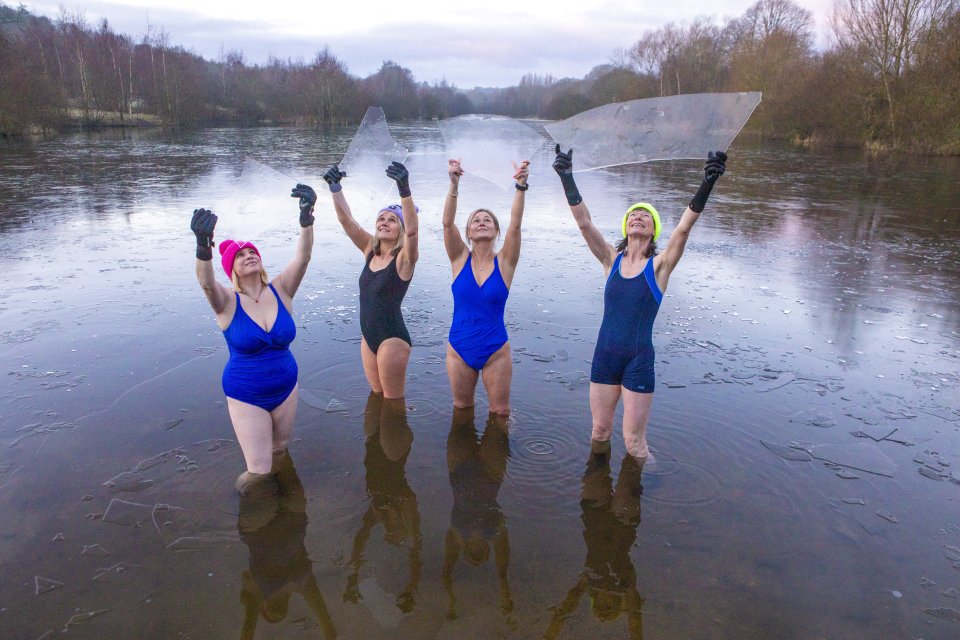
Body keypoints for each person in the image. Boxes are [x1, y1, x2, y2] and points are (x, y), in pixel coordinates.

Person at [552, 145, 728, 461]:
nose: (638, 217)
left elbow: (684, 228)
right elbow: (584, 223)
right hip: (604, 356)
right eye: (634, 214)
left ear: (653, 229)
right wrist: (567, 177)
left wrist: (708, 182)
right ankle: (596, 494)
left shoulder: (659, 266)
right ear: (626, 226)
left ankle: (647, 490)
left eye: (646, 216)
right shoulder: (609, 260)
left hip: (638, 360)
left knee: (634, 443)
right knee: (599, 433)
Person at [190, 183, 316, 496]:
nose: (248, 256)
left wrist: (306, 219)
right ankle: (245, 514)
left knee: (280, 450)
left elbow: (304, 257)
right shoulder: (226, 301)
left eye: (252, 252)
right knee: (258, 471)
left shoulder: (282, 290)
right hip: (247, 392)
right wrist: (203, 246)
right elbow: (206, 282)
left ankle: (287, 507)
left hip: (286, 385)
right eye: (240, 255)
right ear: (230, 268)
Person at [323, 162, 419, 399]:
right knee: (376, 397)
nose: (384, 222)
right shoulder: (369, 250)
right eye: (381, 218)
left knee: (393, 404)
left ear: (401, 229)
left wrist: (404, 191)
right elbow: (347, 221)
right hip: (369, 337)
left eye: (392, 220)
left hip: (392, 338)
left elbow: (414, 233)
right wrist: (335, 188)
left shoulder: (404, 259)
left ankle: (398, 435)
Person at [442, 159, 529, 415]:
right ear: (468, 232)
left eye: (487, 220)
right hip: (459, 348)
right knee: (461, 410)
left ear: (496, 231)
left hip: (496, 350)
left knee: (500, 414)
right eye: (476, 220)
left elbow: (515, 224)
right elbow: (447, 224)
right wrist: (454, 184)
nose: (481, 222)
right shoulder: (459, 259)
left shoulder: (506, 262)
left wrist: (520, 186)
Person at [544, 441, 645, 639]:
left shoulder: (589, 580)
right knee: (630, 470)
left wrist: (550, 634)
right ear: (619, 604)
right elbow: (634, 617)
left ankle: (627, 436)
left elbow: (568, 605)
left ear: (594, 601)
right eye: (610, 608)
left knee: (597, 463)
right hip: (624, 523)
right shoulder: (626, 585)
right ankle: (637, 442)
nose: (605, 608)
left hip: (594, 518)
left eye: (600, 607)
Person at [237, 451, 337, 639]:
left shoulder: (299, 584)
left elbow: (327, 625)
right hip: (264, 527)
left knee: (277, 454)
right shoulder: (265, 591)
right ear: (263, 607)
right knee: (264, 460)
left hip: (291, 519)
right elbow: (248, 631)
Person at [343, 392, 422, 613]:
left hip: (374, 449)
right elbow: (416, 549)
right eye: (397, 530)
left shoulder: (377, 511)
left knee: (378, 400)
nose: (391, 526)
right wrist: (412, 586)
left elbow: (361, 538)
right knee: (387, 402)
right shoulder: (406, 505)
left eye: (389, 531)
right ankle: (402, 405)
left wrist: (354, 573)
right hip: (395, 448)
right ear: (403, 528)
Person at [441, 407, 513, 620]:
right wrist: (503, 585)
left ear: (464, 550)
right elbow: (503, 559)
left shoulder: (457, 533)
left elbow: (447, 568)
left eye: (471, 557)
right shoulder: (494, 532)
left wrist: (451, 600)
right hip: (491, 474)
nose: (476, 557)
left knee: (461, 416)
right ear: (488, 551)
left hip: (459, 472)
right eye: (481, 557)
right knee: (497, 421)